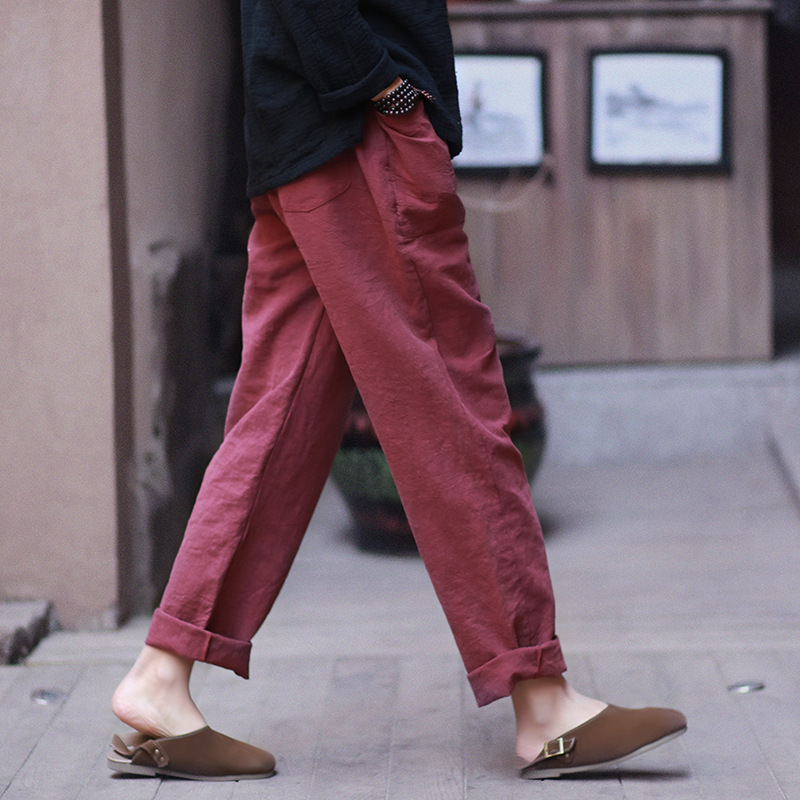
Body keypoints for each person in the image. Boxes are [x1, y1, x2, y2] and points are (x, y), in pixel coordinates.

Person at [108, 0, 686, 782]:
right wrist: (383, 88)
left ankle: (162, 675)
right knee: (453, 401)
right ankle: (543, 700)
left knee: (278, 417)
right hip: (358, 134)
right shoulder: (370, 103)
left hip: (305, 132)